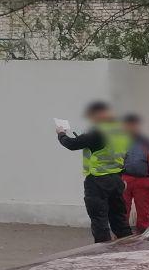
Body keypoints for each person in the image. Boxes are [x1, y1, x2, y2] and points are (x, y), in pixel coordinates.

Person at [56, 100, 132, 242]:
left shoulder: (97, 132)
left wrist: (61, 134)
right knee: (119, 219)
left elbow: (71, 144)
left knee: (99, 220)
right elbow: (123, 156)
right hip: (116, 180)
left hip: (97, 181)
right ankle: (128, 249)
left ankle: (102, 254)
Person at [121, 114, 149, 234]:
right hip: (124, 180)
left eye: (133, 125)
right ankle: (122, 235)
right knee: (122, 209)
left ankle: (143, 234)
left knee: (144, 211)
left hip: (143, 181)